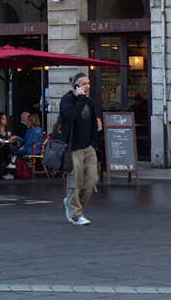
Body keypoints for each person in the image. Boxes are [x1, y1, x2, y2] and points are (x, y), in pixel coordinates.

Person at [59, 72, 101, 226]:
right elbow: (71, 115)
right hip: (74, 146)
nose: (87, 86)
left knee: (92, 179)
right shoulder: (68, 100)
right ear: (76, 86)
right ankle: (76, 215)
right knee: (75, 180)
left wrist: (97, 127)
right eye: (84, 84)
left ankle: (72, 204)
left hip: (88, 146)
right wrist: (80, 99)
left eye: (88, 83)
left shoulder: (89, 101)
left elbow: (92, 120)